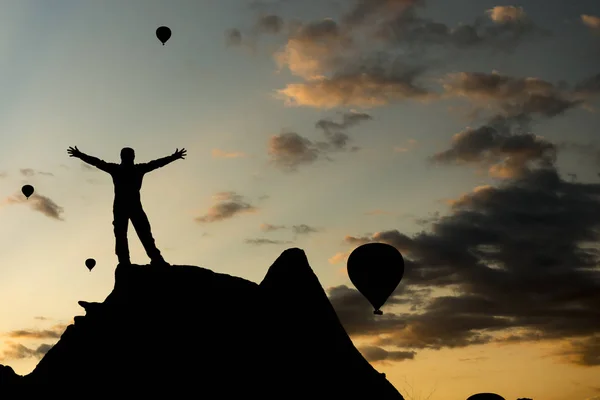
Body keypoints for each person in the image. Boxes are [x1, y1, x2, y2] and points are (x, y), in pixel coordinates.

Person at [67, 146, 187, 266]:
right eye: (128, 155)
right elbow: (97, 162)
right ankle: (131, 260)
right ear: (129, 157)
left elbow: (157, 163)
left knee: (138, 233)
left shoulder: (125, 169)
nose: (129, 157)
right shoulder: (129, 169)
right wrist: (80, 155)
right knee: (127, 234)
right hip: (125, 207)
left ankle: (148, 259)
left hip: (128, 207)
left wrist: (174, 157)